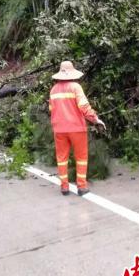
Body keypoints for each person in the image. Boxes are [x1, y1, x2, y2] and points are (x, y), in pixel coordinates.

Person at [49, 60, 106, 196]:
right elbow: (84, 107)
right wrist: (95, 119)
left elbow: (51, 109)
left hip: (59, 129)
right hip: (76, 129)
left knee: (62, 158)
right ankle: (81, 186)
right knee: (81, 157)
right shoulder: (75, 87)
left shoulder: (53, 90)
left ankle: (64, 187)